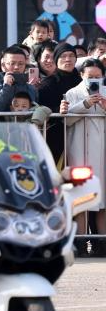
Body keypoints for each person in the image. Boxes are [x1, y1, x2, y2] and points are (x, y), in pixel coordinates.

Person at [63, 59, 106, 234]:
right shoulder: (72, 93)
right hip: (80, 151)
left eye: (97, 76)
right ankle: (81, 243)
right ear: (82, 75)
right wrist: (85, 104)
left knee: (103, 202)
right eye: (90, 76)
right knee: (81, 200)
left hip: (102, 152)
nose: (94, 80)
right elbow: (66, 121)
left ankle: (102, 243)